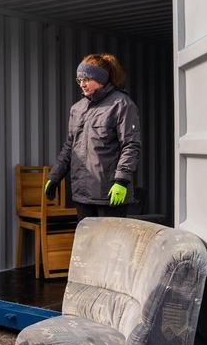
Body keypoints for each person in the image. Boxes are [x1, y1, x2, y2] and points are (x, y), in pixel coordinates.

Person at [45, 53, 142, 222]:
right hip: (82, 193)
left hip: (110, 194)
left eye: (86, 79)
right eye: (79, 80)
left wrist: (121, 181)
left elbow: (131, 145)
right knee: (88, 245)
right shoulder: (77, 109)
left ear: (101, 79)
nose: (82, 84)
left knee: (110, 246)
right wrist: (55, 176)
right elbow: (70, 147)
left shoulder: (121, 104)